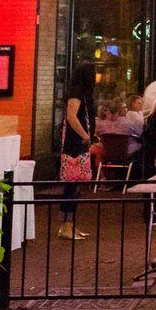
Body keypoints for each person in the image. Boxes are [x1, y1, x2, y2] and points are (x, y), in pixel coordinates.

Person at [59, 62, 96, 240]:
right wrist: (85, 135)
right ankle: (66, 225)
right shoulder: (76, 92)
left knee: (77, 184)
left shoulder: (84, 93)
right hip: (75, 143)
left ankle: (71, 224)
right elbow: (71, 116)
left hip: (80, 142)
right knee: (72, 185)